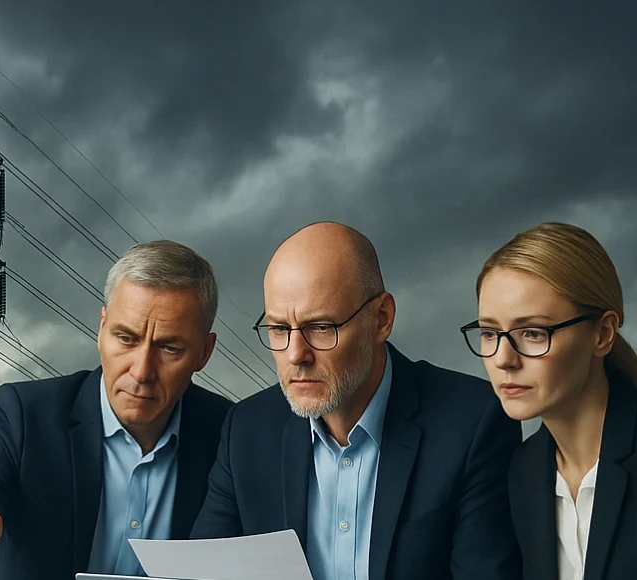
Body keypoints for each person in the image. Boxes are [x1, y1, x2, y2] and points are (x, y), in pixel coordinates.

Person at [190, 221, 523, 580]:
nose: (295, 354)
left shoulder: (472, 423)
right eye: (279, 329)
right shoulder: (247, 430)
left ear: (381, 319)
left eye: (320, 327)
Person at [0, 239, 233, 580]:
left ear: (204, 352)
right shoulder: (27, 416)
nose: (142, 371)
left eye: (169, 347)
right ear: (102, 329)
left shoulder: (231, 435)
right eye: (126, 339)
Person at [460, 221, 637, 580]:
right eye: (490, 333)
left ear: (602, 334)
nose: (503, 359)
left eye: (533, 333)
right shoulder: (523, 472)